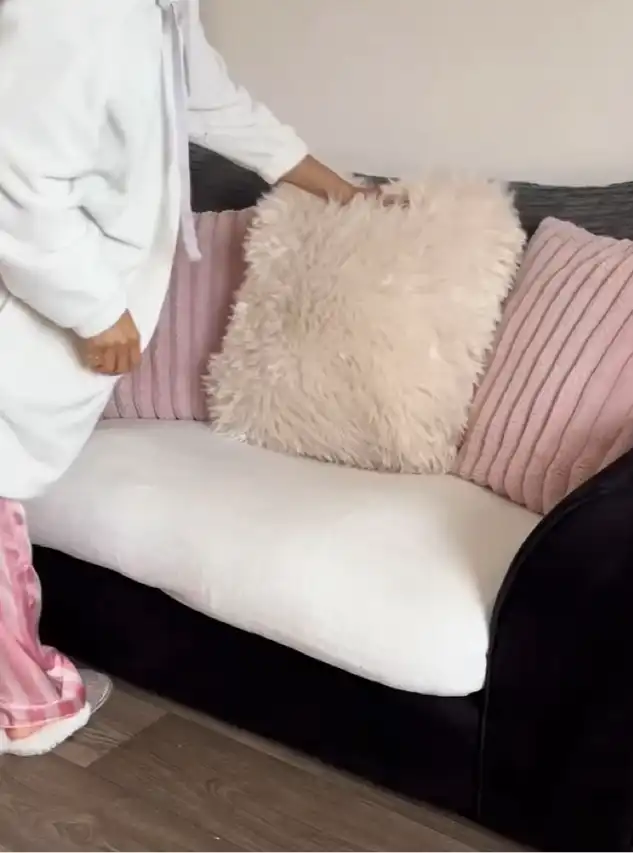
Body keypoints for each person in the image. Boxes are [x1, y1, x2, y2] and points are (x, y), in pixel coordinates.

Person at [0, 0, 378, 755]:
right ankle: (23, 706)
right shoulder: (64, 12)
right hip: (43, 294)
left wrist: (342, 191)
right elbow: (16, 180)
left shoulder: (160, 8)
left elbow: (209, 101)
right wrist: (95, 310)